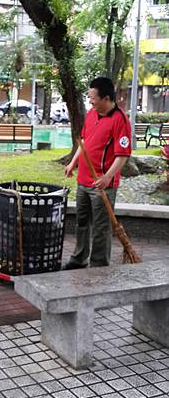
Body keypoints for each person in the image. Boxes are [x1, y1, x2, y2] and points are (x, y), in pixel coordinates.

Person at [64, 76, 131, 269]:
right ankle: (79, 259)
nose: (91, 101)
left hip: (102, 185)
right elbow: (84, 141)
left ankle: (99, 264)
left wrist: (107, 177)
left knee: (101, 228)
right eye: (90, 97)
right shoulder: (92, 114)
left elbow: (123, 155)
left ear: (107, 98)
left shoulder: (120, 120)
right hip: (83, 180)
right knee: (81, 222)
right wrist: (73, 163)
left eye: (93, 98)